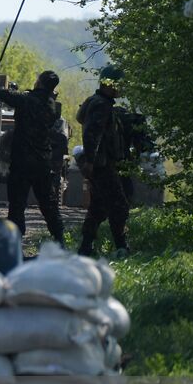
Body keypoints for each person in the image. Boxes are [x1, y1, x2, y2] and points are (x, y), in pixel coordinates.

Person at [0, 70, 67, 244]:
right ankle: (59, 237)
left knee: (17, 204)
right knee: (48, 203)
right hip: (42, 161)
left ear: (41, 83)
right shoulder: (50, 104)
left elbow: (8, 96)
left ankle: (15, 239)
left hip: (23, 160)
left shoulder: (28, 100)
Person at [76, 65, 130, 257]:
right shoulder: (101, 105)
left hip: (101, 164)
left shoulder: (97, 102)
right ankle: (122, 247)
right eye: (118, 84)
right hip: (101, 165)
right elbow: (93, 134)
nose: (121, 88)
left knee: (98, 207)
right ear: (109, 84)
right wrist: (90, 161)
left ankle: (85, 246)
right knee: (119, 205)